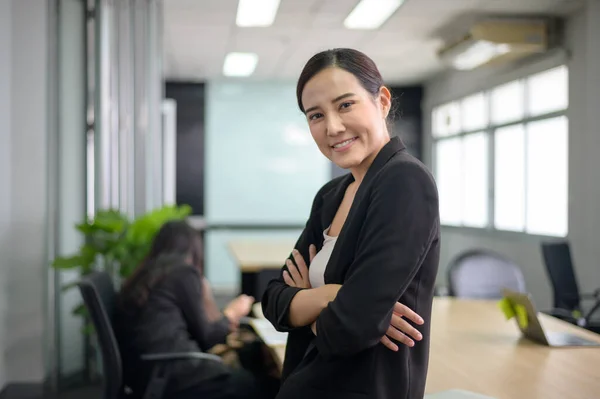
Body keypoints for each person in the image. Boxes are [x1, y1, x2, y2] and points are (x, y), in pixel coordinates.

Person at [261, 48, 440, 399]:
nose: (332, 127)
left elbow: (350, 328)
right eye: (316, 115)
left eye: (345, 105)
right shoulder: (331, 195)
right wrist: (333, 297)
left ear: (382, 101)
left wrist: (311, 300)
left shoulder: (404, 181)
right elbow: (272, 300)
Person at [114, 220, 278, 399]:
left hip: (149, 373)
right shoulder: (182, 273)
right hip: (174, 374)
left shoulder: (147, 274)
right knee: (253, 384)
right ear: (194, 249)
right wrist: (233, 312)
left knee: (250, 360)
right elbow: (207, 337)